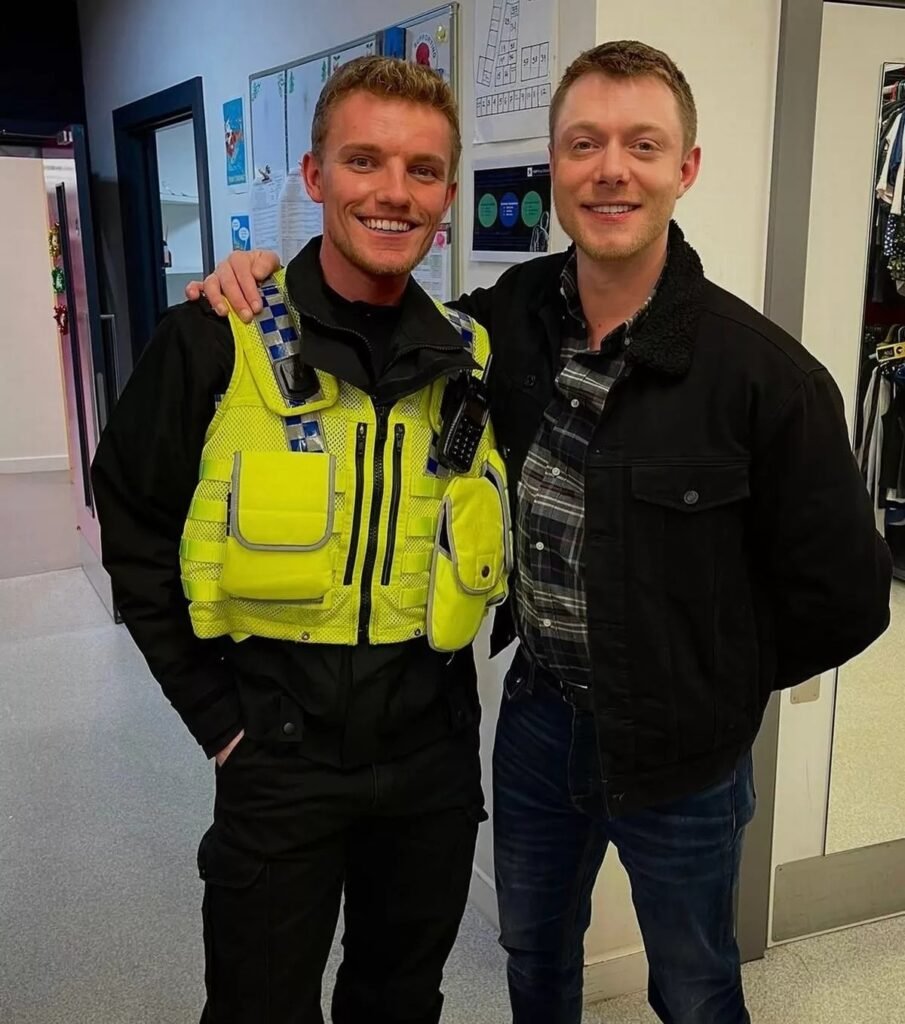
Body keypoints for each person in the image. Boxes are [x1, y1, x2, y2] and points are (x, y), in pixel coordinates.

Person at [190, 41, 893, 1024]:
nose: (611, 170)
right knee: (534, 955)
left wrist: (712, 677)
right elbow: (377, 313)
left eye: (642, 145)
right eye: (583, 143)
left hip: (683, 753)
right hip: (538, 722)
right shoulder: (500, 324)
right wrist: (264, 278)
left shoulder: (763, 376)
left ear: (684, 168)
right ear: (554, 167)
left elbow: (848, 599)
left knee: (694, 985)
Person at [92, 56, 513, 1024]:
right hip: (277, 747)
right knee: (258, 1005)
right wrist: (215, 715)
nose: (393, 192)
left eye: (421, 169)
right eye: (363, 161)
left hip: (430, 755)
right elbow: (134, 523)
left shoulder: (475, 354)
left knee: (398, 999)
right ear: (315, 176)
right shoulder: (215, 338)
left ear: (448, 195)